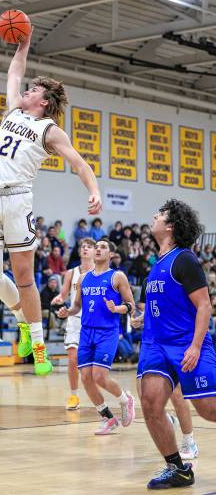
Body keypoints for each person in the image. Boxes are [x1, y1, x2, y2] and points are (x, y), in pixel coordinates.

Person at [0, 31, 101, 376]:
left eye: (33, 91)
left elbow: (79, 163)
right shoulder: (14, 109)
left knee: (25, 277)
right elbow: (14, 72)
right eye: (28, 89)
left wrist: (94, 189)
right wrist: (23, 45)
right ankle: (22, 322)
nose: (26, 91)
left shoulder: (51, 130)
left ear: (43, 102)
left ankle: (39, 348)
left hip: (16, 201)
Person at [137, 199, 216, 490]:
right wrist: (142, 317)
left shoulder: (184, 259)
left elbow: (205, 306)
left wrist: (195, 347)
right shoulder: (157, 263)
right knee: (150, 403)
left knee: (209, 409)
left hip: (186, 344)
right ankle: (178, 469)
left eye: (159, 214)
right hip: (157, 346)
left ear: (169, 226)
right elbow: (165, 306)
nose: (154, 217)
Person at [57, 239, 135, 434]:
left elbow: (131, 305)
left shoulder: (117, 277)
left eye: (103, 247)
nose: (98, 249)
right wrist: (68, 311)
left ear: (110, 255)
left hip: (106, 332)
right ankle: (108, 418)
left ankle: (126, 400)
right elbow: (77, 306)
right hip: (86, 331)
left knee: (99, 376)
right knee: (86, 378)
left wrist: (116, 308)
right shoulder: (83, 278)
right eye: (97, 247)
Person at [132, 278, 199, 461]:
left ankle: (189, 441)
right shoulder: (149, 280)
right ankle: (168, 421)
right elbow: (148, 310)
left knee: (176, 394)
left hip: (171, 340)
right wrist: (140, 319)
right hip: (150, 342)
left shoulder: (177, 278)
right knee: (143, 393)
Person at [51, 237, 95, 410]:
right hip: (75, 320)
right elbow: (64, 294)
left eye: (89, 247)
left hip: (94, 322)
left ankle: (96, 395)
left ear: (94, 251)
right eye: (83, 246)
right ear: (79, 251)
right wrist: (60, 298)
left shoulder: (102, 273)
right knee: (72, 359)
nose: (85, 249)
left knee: (93, 368)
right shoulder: (71, 273)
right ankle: (74, 395)